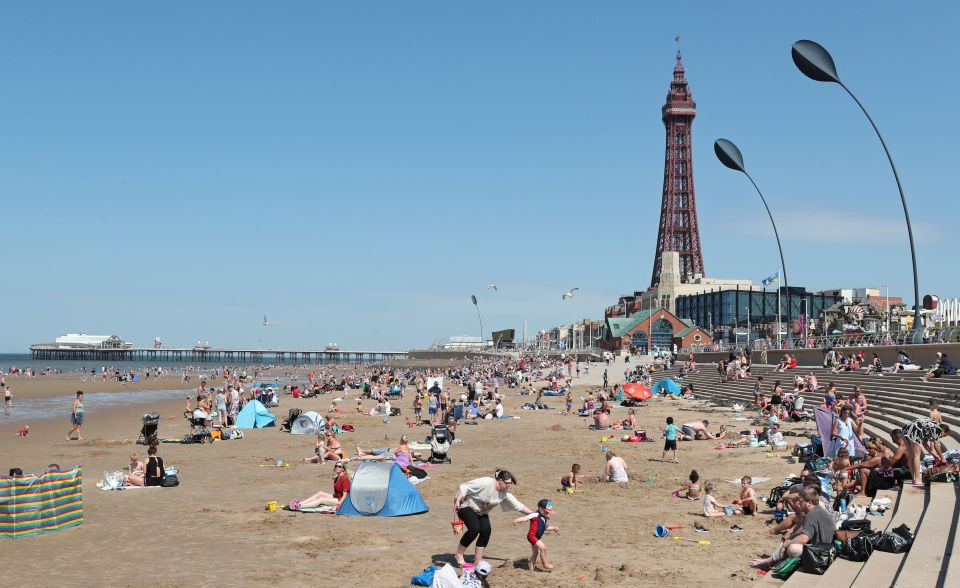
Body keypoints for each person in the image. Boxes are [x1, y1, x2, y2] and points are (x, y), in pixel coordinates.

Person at [453, 470, 533, 568]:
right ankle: (459, 555)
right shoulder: (486, 482)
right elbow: (465, 487)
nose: (509, 486)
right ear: (499, 480)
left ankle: (477, 562)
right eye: (507, 483)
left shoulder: (504, 494)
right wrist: (457, 500)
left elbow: (519, 506)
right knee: (474, 529)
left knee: (486, 531)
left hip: (481, 512)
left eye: (510, 483)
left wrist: (535, 514)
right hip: (466, 506)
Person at [751, 487, 836, 569]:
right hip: (826, 549)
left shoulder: (811, 515)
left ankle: (769, 562)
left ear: (809, 503)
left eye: (801, 501)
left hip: (821, 554)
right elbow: (803, 533)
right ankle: (770, 560)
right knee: (790, 539)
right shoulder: (819, 511)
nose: (799, 503)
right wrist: (789, 538)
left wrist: (786, 545)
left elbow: (803, 538)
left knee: (792, 548)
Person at [900, 418, 951, 487]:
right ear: (943, 430)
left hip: (905, 430)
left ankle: (914, 479)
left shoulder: (930, 429)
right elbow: (936, 446)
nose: (941, 437)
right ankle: (918, 480)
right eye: (943, 435)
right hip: (914, 430)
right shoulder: (937, 429)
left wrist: (934, 455)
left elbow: (924, 444)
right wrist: (942, 458)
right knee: (916, 455)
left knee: (911, 455)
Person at [513, 499, 559, 571]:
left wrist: (553, 528)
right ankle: (545, 564)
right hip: (532, 536)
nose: (547, 513)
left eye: (548, 512)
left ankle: (531, 568)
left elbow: (546, 527)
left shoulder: (544, 518)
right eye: (546, 511)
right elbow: (525, 518)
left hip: (536, 537)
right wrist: (517, 520)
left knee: (535, 553)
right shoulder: (535, 514)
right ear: (540, 508)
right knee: (543, 548)